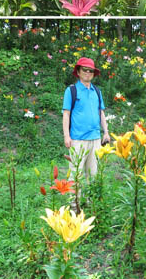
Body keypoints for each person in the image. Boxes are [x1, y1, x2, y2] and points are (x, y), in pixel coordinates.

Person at [62, 57, 110, 200]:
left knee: (93, 175)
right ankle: (74, 205)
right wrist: (66, 136)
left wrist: (106, 132)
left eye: (91, 71)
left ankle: (91, 205)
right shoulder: (71, 90)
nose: (88, 73)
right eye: (85, 70)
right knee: (75, 174)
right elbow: (66, 114)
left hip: (95, 139)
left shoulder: (97, 90)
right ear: (78, 71)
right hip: (77, 140)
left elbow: (101, 112)